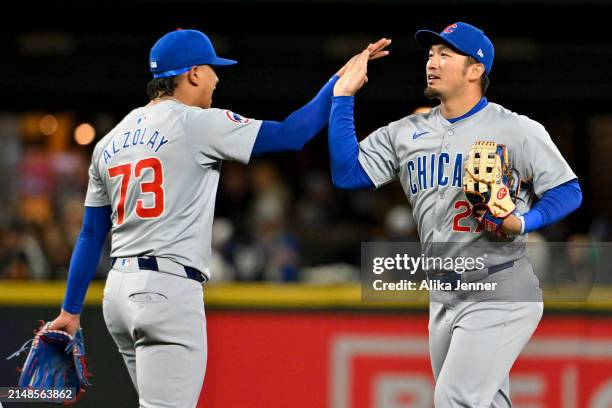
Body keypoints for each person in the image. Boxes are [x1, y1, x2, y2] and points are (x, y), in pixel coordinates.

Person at [46, 29, 390, 407]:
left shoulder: (110, 139)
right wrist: (337, 86)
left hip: (118, 295)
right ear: (193, 73)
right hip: (167, 289)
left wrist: (70, 310)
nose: (217, 77)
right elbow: (292, 135)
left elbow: (91, 234)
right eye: (212, 69)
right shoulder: (195, 122)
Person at [328, 22, 582, 407]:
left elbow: (567, 189)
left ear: (475, 70)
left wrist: (523, 222)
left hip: (500, 284)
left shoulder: (513, 128)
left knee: (455, 398)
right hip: (443, 291)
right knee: (486, 401)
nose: (432, 61)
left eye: (446, 54)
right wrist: (343, 97)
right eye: (431, 53)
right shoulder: (407, 132)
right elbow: (347, 173)